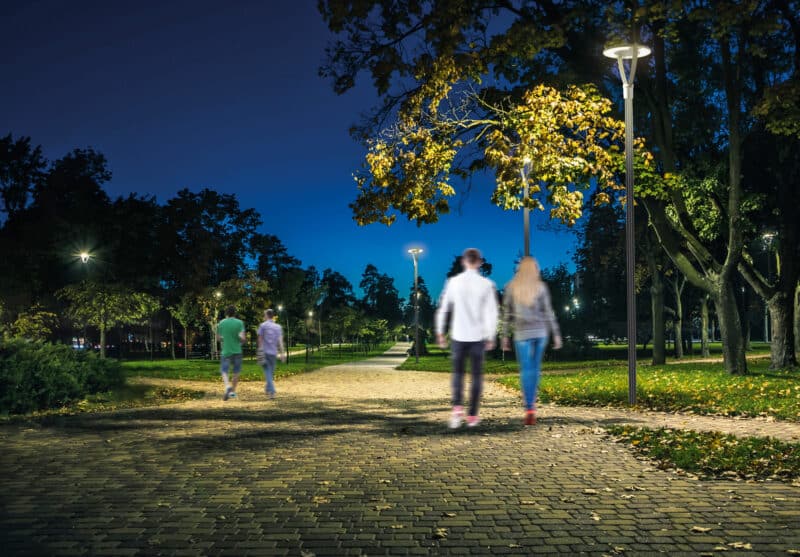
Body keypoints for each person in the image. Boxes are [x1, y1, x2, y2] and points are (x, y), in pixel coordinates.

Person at [435, 248, 499, 429]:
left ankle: (457, 410)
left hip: (459, 335)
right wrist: (491, 335)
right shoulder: (487, 284)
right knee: (477, 377)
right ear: (479, 262)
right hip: (478, 337)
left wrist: (440, 332)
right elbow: (492, 313)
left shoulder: (453, 282)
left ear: (464, 261)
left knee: (458, 375)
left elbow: (444, 308)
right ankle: (472, 415)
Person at [501, 257, 562, 426]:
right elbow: (549, 312)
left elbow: (507, 315)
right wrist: (556, 334)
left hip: (521, 334)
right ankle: (532, 401)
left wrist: (505, 336)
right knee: (534, 369)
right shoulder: (540, 287)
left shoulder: (510, 287)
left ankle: (529, 408)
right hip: (541, 332)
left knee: (526, 370)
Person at [217, 305, 246, 401]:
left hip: (226, 351)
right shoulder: (239, 323)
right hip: (237, 351)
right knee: (236, 372)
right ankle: (232, 392)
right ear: (235, 313)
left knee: (224, 370)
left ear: (226, 313)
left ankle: (227, 387)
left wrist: (225, 338)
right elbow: (243, 338)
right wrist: (239, 341)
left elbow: (218, 338)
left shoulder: (221, 323)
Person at [257, 308, 286, 399]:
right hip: (273, 353)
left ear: (267, 315)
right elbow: (280, 341)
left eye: (264, 315)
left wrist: (259, 350)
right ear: (273, 316)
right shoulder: (278, 327)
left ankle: (271, 390)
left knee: (267, 372)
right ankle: (268, 389)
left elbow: (260, 339)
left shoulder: (263, 325)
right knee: (270, 372)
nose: (264, 316)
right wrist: (282, 353)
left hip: (265, 352)